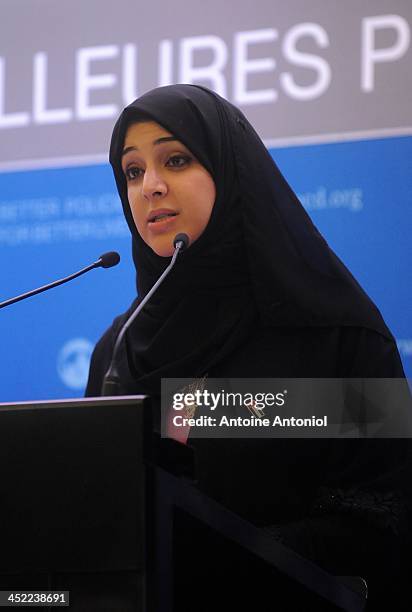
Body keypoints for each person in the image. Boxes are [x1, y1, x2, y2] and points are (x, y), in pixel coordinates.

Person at [86, 84, 410, 610]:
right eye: (133, 171)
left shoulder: (338, 338)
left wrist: (217, 559)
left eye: (175, 159)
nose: (150, 186)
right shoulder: (120, 349)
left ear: (232, 172)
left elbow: (381, 524)